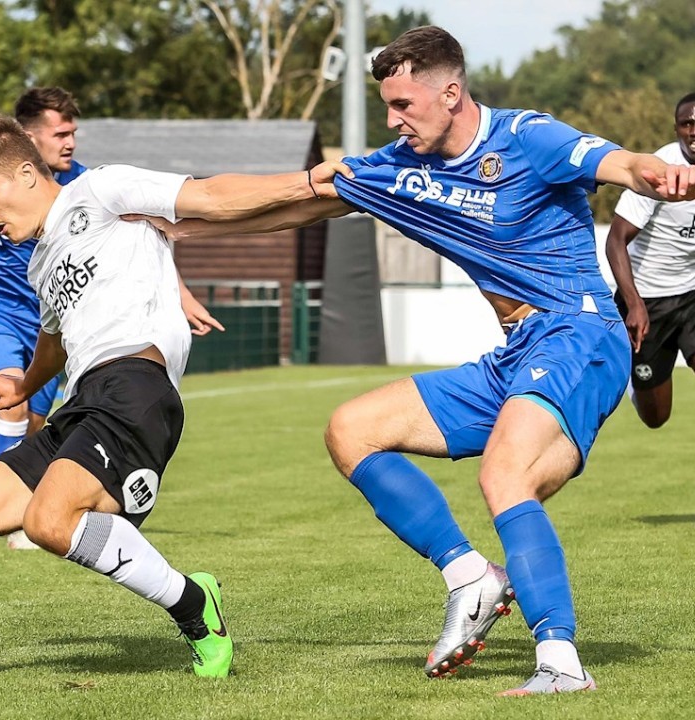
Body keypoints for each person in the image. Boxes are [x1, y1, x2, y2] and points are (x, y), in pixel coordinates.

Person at [128, 26, 695, 696]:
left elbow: (620, 163)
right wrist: (178, 225)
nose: (394, 120)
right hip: (517, 353)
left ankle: (561, 662)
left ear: (450, 93)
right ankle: (470, 578)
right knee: (352, 430)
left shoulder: (527, 137)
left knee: (505, 475)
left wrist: (657, 172)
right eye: (388, 106)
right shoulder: (401, 167)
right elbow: (297, 206)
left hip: (579, 333)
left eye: (404, 104)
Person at [0, 112, 332, 688]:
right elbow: (55, 342)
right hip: (85, 399)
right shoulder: (41, 260)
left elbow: (211, 196)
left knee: (49, 521)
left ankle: (194, 605)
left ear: (25, 173)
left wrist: (310, 181)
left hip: (136, 386)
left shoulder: (103, 189)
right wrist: (22, 386)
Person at [0, 87, 221, 463]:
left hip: (49, 317)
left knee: (33, 427)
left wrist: (183, 296)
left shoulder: (84, 184)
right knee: (14, 408)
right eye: (61, 134)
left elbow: (138, 238)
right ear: (30, 138)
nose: (71, 143)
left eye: (73, 133)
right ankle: (6, 497)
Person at [605, 92, 695, 429]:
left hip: (691, 294)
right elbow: (615, 241)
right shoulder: (659, 171)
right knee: (656, 417)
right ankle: (633, 376)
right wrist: (634, 304)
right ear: (677, 129)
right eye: (687, 124)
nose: (694, 130)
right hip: (648, 301)